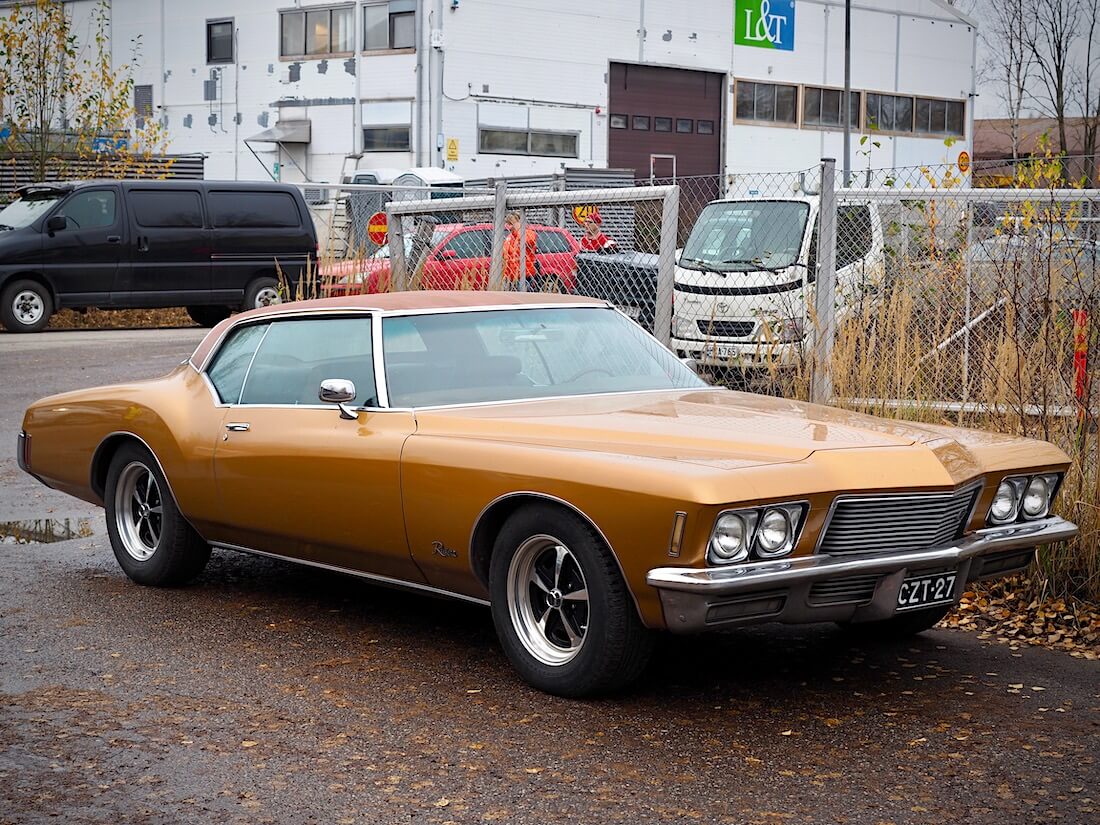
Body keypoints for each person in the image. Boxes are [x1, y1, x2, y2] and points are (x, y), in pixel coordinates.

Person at [503, 211, 538, 283]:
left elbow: (529, 241)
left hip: (525, 276)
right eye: (508, 224)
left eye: (511, 224)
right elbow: (506, 256)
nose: (509, 226)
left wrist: (518, 230)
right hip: (512, 276)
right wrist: (505, 274)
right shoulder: (509, 237)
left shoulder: (529, 233)